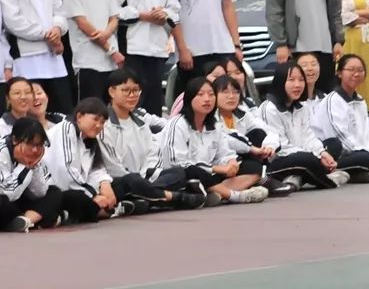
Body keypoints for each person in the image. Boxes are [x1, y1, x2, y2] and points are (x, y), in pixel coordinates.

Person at [98, 69, 205, 211]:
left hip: (144, 178)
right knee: (132, 181)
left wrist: (146, 178)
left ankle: (143, 199)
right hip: (117, 180)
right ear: (112, 92)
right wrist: (139, 179)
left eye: (136, 91)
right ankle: (175, 197)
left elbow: (152, 154)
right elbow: (112, 166)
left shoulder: (141, 123)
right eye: (126, 91)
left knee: (178, 173)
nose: (132, 95)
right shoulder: (103, 125)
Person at [159, 77, 269, 206]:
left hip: (210, 174)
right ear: (189, 98)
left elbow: (224, 152)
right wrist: (217, 169)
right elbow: (176, 162)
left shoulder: (214, 125)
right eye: (200, 94)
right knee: (193, 172)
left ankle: (215, 194)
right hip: (181, 175)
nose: (207, 99)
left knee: (254, 167)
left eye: (211, 94)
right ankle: (236, 196)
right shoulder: (178, 124)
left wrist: (231, 162)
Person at [0, 0, 73, 114]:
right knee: (31, 114)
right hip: (25, 59)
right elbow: (13, 21)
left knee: (61, 111)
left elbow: (60, 10)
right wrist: (47, 35)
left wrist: (57, 29)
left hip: (53, 57)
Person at [257, 62, 349, 191]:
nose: (297, 85)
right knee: (306, 159)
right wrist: (314, 157)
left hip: (301, 155)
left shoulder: (301, 107)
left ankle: (298, 178)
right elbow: (280, 147)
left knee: (333, 144)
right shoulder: (269, 108)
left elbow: (307, 136)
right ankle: (328, 180)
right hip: (276, 160)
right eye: (291, 80)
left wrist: (322, 153)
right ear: (280, 81)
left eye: (301, 80)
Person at [45, 97, 137, 223]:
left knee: (122, 183)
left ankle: (105, 209)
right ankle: (107, 211)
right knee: (78, 198)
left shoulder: (89, 138)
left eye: (103, 122)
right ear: (79, 116)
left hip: (82, 186)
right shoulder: (66, 129)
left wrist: (104, 184)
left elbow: (96, 169)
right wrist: (94, 195)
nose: (99, 125)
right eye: (95, 119)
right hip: (58, 188)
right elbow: (66, 170)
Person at [312, 54, 369, 183]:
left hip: (360, 152)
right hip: (335, 153)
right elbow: (340, 137)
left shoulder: (360, 101)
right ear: (339, 73)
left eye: (360, 70)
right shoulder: (333, 100)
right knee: (364, 159)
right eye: (351, 70)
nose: (356, 74)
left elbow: (368, 134)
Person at [212, 75, 291, 197]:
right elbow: (229, 139)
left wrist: (269, 146)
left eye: (236, 92)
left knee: (258, 133)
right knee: (252, 165)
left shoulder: (243, 113)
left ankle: (259, 179)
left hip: (242, 158)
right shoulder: (211, 117)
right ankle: (259, 179)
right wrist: (253, 149)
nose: (231, 96)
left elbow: (268, 130)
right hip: (221, 160)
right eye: (225, 92)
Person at [0, 117, 66, 232]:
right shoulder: (2, 151)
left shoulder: (34, 155)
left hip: (18, 201)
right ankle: (41, 219)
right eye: (30, 144)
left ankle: (25, 221)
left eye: (39, 145)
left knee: (54, 192)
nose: (35, 150)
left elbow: (39, 193)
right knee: (3, 203)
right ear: (15, 140)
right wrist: (24, 166)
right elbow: (7, 193)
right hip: (5, 198)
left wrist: (33, 167)